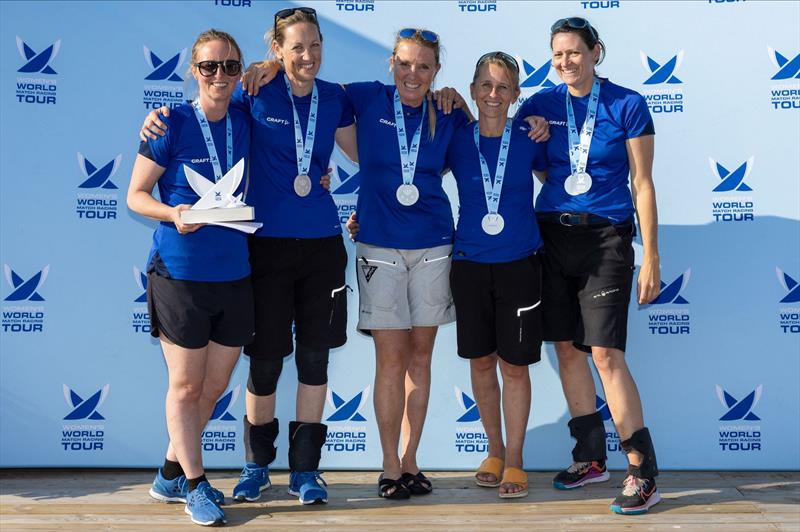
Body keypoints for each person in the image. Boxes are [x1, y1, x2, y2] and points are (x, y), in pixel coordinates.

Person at [140, 7, 358, 506]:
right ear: (276, 50)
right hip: (262, 246)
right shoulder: (251, 92)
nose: (308, 55)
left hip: (322, 244)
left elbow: (367, 154)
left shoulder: (338, 99)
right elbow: (204, 105)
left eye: (315, 45)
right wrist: (156, 116)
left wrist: (443, 98)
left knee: (315, 360)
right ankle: (256, 466)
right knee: (264, 361)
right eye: (296, 46)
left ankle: (306, 470)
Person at [517, 17, 662, 514]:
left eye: (574, 53)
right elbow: (535, 165)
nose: (565, 63)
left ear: (596, 52)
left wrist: (652, 256)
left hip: (606, 239)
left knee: (605, 354)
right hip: (551, 235)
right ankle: (590, 457)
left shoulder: (628, 104)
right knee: (566, 347)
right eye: (557, 54)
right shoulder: (539, 103)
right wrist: (533, 134)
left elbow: (643, 184)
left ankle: (642, 471)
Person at [128, 29, 251, 527]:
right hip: (179, 273)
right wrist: (172, 212)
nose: (219, 75)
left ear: (241, 72)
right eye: (208, 67)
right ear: (193, 72)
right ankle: (196, 486)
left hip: (235, 273)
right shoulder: (169, 123)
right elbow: (135, 195)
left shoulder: (247, 117)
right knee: (185, 387)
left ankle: (169, 472)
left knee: (215, 386)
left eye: (229, 66)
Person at [445, 51, 547, 499]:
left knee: (516, 366)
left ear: (515, 95)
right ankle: (494, 449)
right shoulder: (454, 137)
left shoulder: (531, 136)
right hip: (468, 264)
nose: (493, 94)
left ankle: (517, 460)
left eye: (503, 87)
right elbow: (417, 179)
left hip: (520, 263)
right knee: (481, 362)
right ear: (472, 90)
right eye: (485, 85)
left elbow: (560, 180)